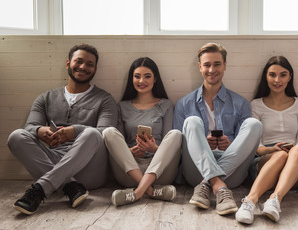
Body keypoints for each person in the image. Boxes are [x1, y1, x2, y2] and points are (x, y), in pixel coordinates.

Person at [8, 44, 118, 215]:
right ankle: (70, 186)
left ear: (95, 69)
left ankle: (40, 189)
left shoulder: (105, 99)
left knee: (92, 133)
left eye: (89, 64)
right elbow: (29, 127)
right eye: (79, 61)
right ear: (68, 63)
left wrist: (75, 131)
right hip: (53, 162)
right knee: (16, 136)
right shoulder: (46, 97)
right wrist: (39, 131)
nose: (83, 67)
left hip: (90, 170)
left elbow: (106, 133)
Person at [173, 43, 262, 216]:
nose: (211, 69)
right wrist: (200, 144)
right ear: (200, 67)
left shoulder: (240, 103)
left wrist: (230, 144)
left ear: (225, 65)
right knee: (192, 122)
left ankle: (207, 183)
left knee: (254, 124)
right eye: (207, 64)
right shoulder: (184, 104)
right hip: (195, 170)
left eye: (217, 64)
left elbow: (245, 146)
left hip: (232, 172)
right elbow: (177, 148)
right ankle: (219, 186)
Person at [235, 56, 298, 224]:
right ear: (265, 77)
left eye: (282, 75)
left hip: (295, 164)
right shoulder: (256, 104)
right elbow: (255, 146)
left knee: (297, 150)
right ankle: (250, 202)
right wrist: (271, 150)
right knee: (280, 155)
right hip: (265, 159)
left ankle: (275, 199)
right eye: (272, 75)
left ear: (290, 77)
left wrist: (293, 152)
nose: (277, 80)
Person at [102, 57, 182, 206]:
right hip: (130, 172)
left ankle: (138, 192)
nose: (141, 81)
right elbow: (119, 144)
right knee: (109, 132)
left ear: (155, 79)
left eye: (147, 76)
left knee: (176, 134)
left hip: (160, 172)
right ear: (132, 79)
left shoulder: (166, 105)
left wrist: (154, 149)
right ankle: (150, 191)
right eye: (137, 76)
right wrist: (130, 152)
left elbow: (169, 143)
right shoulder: (122, 106)